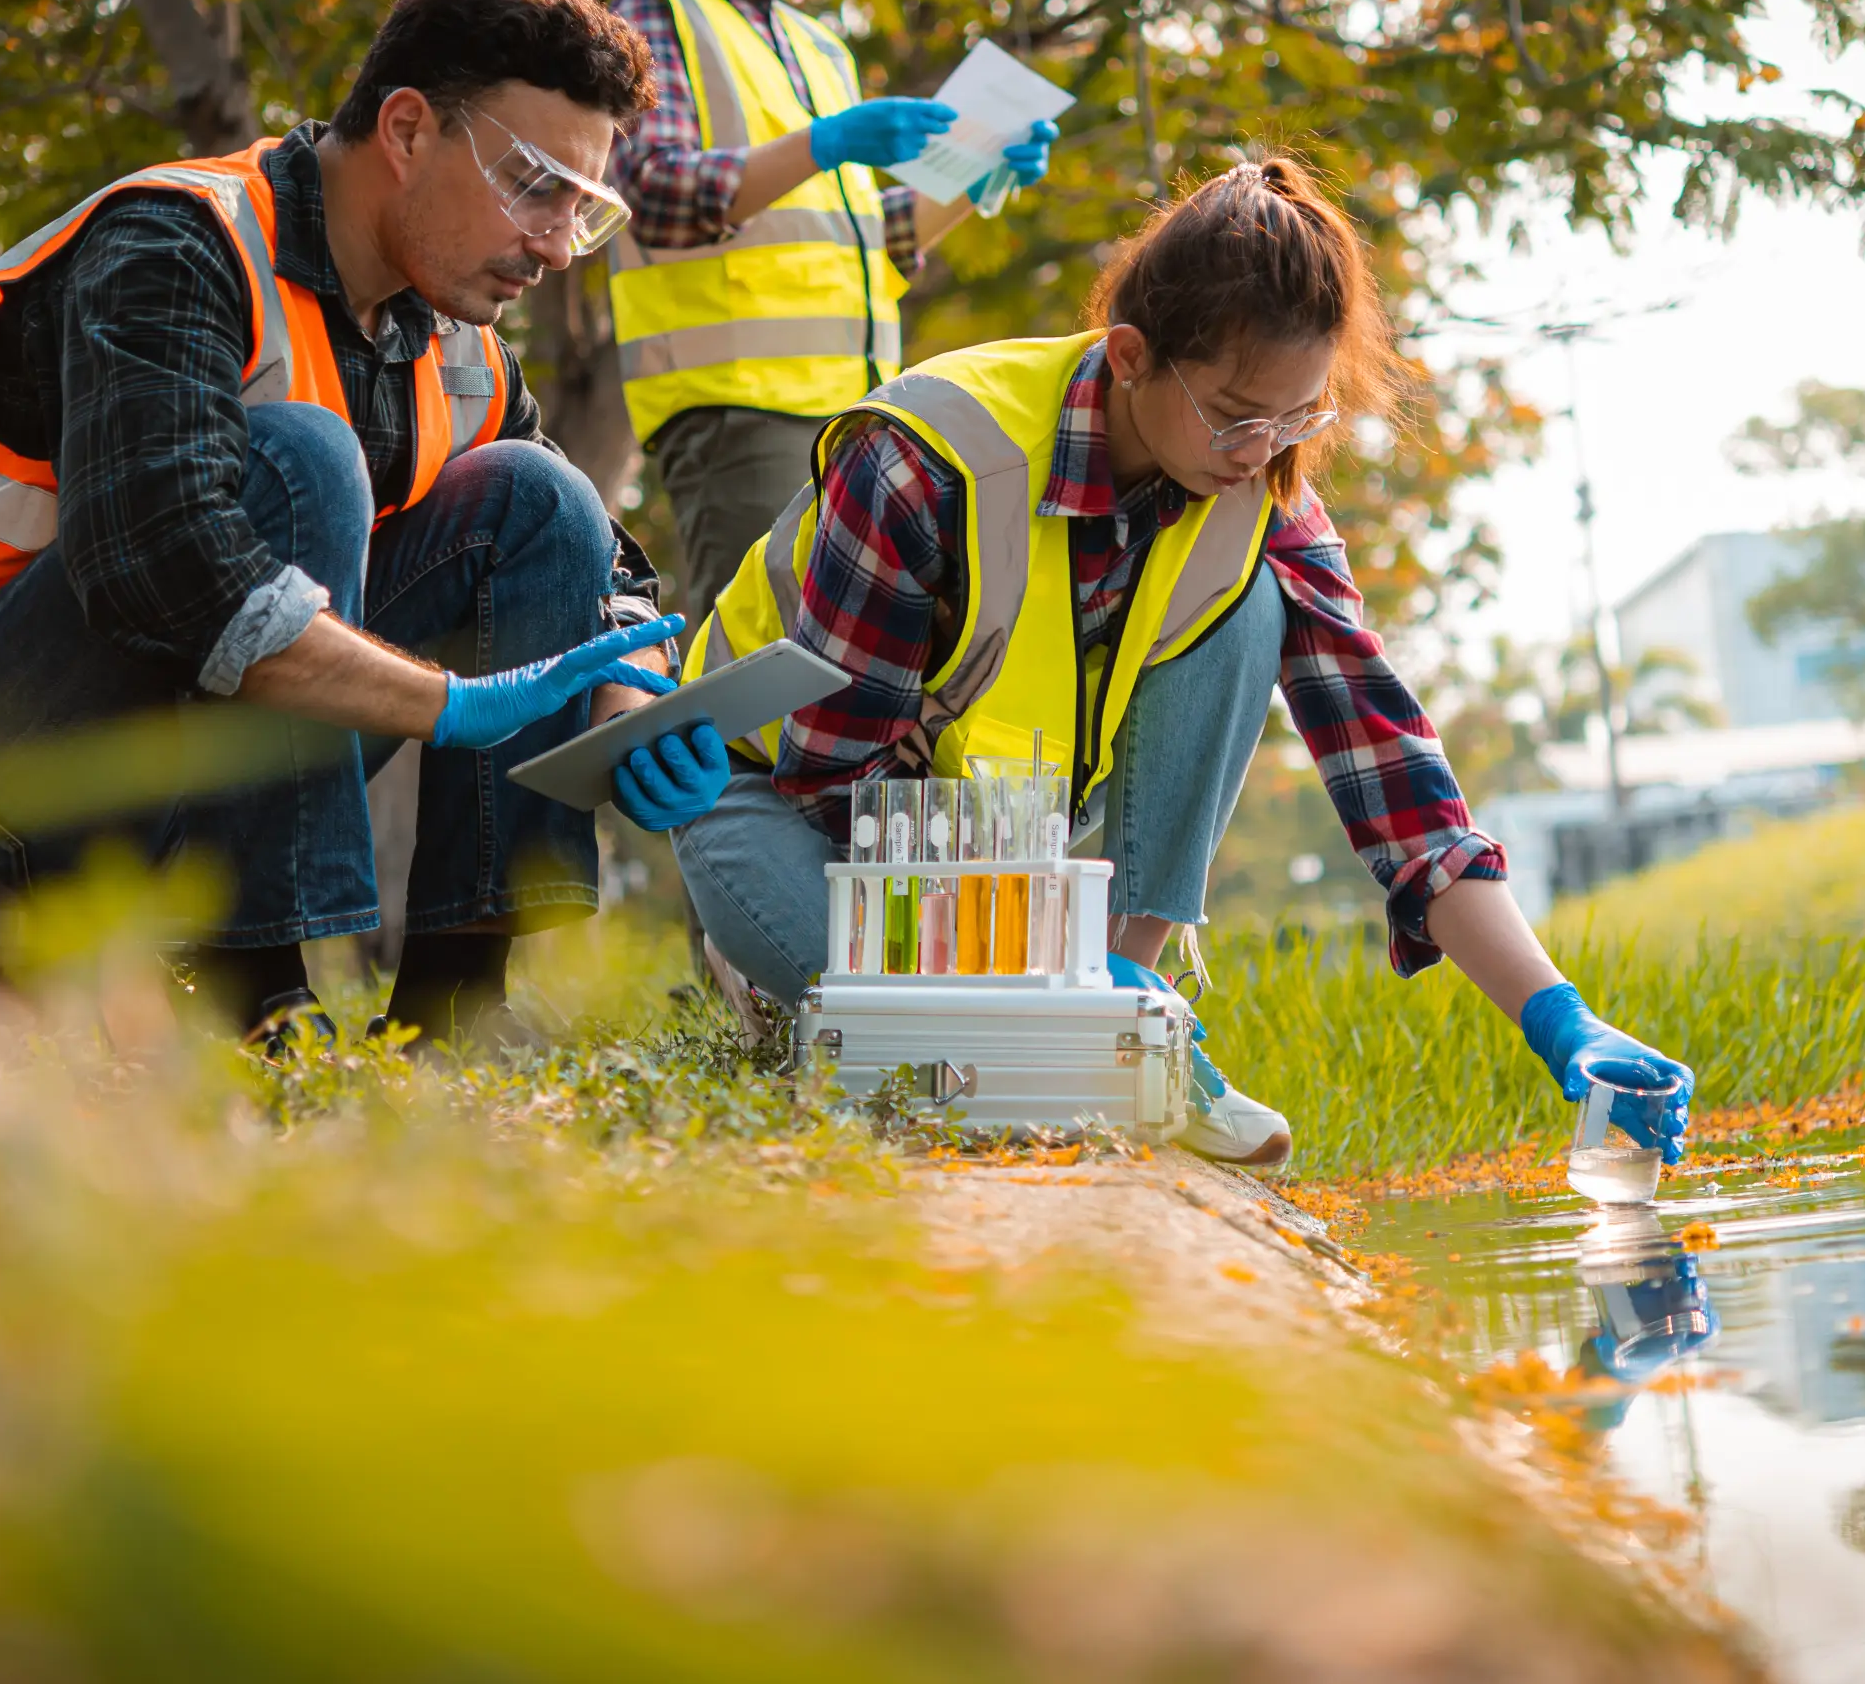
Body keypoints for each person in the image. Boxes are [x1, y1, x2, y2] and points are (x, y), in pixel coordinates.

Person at [668, 158, 1694, 1168]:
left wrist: (1559, 1017)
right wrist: (1056, 973)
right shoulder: (926, 457)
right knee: (972, 1081)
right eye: (1233, 412)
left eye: (1297, 416)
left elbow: (1390, 774)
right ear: (1127, 355)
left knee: (1254, 607)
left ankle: (1120, 1008)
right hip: (776, 804)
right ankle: (991, 1018)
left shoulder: (1262, 500)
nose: (1259, 449)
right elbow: (835, 782)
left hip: (995, 849)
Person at [0, 0, 731, 1042]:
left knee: (537, 497)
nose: (550, 245)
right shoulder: (171, 245)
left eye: (579, 211)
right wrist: (445, 703)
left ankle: (457, 1023)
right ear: (405, 131)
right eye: (533, 186)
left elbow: (609, 568)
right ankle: (263, 1006)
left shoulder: (457, 344)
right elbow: (159, 566)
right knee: (303, 457)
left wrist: (628, 709)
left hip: (168, 773)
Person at [603, 0, 1055, 601]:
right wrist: (825, 143)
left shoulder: (816, 44)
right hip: (739, 414)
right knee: (753, 669)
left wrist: (975, 173)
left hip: (863, 412)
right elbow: (652, 196)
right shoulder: (651, 7)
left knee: (855, 674)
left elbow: (868, 241)